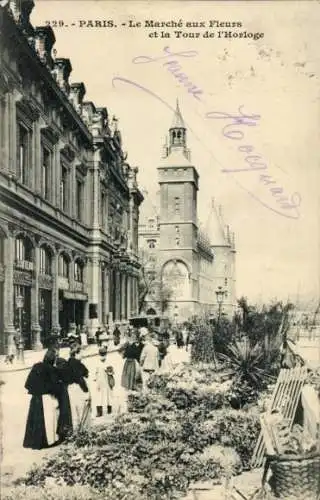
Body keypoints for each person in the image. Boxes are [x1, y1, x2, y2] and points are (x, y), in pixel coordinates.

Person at [23, 349, 61, 449]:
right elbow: (55, 387)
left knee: (35, 420)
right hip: (46, 398)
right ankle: (46, 442)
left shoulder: (36, 366)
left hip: (35, 398)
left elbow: (27, 384)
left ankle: (33, 442)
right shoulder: (51, 369)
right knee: (47, 420)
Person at [67, 345, 91, 430]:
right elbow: (80, 379)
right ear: (76, 353)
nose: (82, 355)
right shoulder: (77, 364)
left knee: (75, 412)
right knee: (83, 411)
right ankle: (84, 431)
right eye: (81, 352)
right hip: (79, 389)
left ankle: (76, 431)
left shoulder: (68, 362)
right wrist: (86, 391)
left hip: (70, 389)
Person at [93, 346, 115, 417]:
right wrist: (95, 378)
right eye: (101, 355)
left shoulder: (109, 361)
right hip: (100, 380)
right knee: (99, 395)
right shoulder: (96, 362)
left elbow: (112, 371)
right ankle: (99, 411)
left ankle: (109, 408)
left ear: (106, 354)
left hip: (107, 380)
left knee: (109, 394)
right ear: (99, 354)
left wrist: (109, 371)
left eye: (104, 354)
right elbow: (94, 372)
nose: (103, 356)